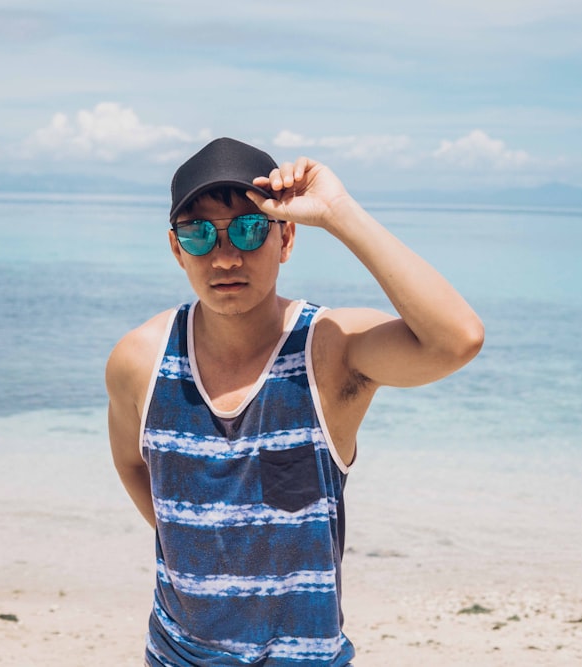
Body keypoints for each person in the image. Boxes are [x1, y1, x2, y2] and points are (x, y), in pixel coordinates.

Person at [106, 137, 484, 666]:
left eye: (249, 228)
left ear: (286, 239)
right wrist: (209, 546)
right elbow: (131, 464)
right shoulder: (140, 361)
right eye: (199, 235)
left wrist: (339, 212)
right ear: (176, 248)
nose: (226, 256)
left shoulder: (328, 351)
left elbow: (456, 340)